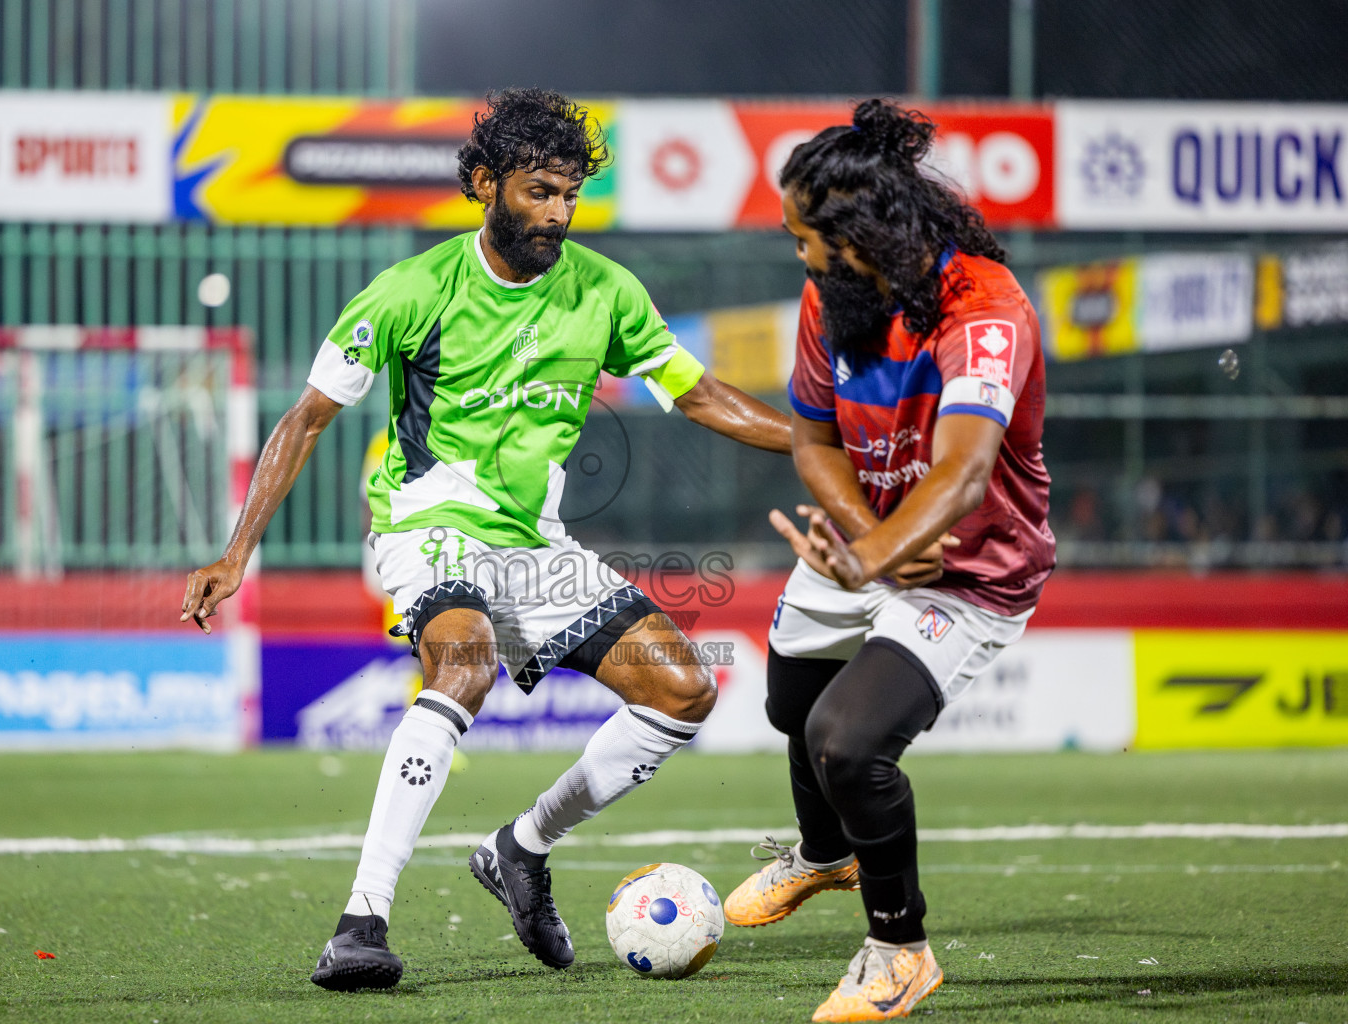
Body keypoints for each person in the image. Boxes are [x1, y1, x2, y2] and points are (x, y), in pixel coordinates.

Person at [179, 87, 790, 992]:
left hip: (535, 548)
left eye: (570, 195)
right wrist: (238, 552)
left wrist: (816, 441)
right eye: (540, 190)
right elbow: (307, 418)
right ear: (483, 182)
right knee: (464, 664)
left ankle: (520, 847)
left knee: (682, 691)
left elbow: (698, 395)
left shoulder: (607, 291)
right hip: (428, 527)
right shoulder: (413, 291)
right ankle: (362, 921)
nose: (558, 213)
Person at [722, 99, 1055, 1022]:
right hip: (873, 541)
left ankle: (900, 950)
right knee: (791, 700)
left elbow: (963, 468)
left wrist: (872, 554)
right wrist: (859, 541)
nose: (797, 256)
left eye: (804, 239)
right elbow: (814, 437)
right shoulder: (832, 297)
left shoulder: (985, 310)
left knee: (847, 740)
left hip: (970, 565)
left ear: (859, 235)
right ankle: (823, 855)